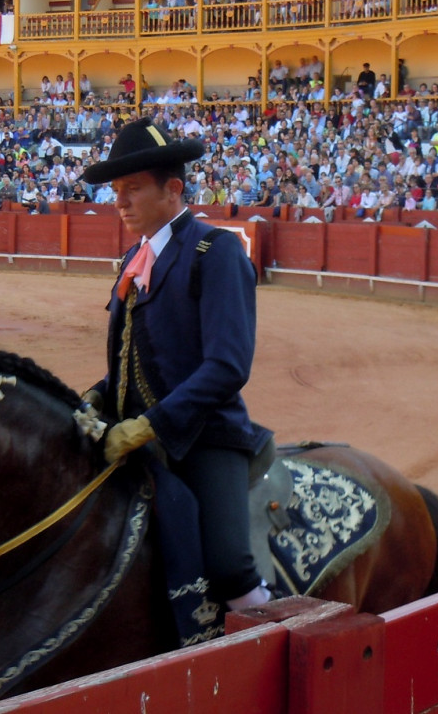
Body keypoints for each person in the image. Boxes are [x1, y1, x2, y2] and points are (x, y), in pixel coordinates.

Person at [80, 117, 273, 614]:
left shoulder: (216, 251)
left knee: (228, 565)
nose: (119, 201)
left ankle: (264, 627)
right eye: (116, 190)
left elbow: (228, 366)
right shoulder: (133, 259)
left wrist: (151, 424)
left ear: (173, 190)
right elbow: (135, 357)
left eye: (132, 188)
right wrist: (96, 397)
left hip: (205, 438)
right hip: (138, 436)